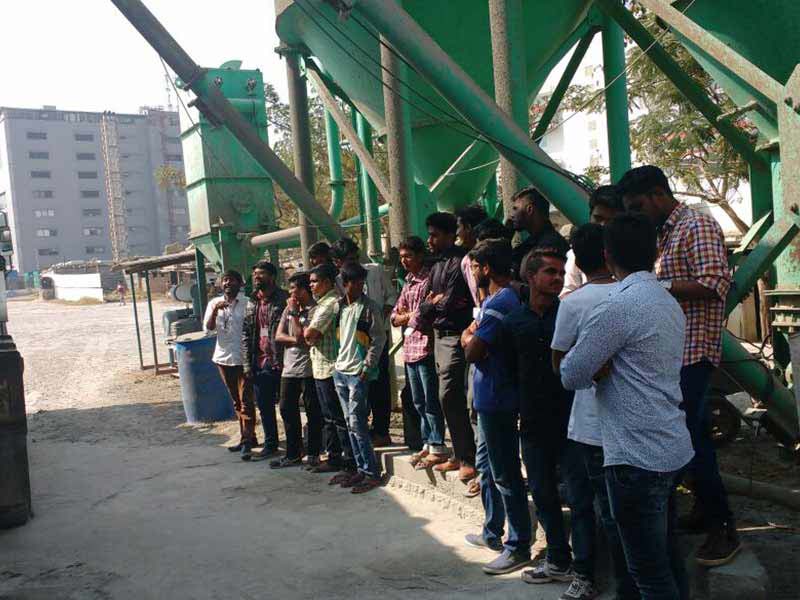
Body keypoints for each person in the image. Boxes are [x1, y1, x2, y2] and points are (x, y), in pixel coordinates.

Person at [560, 213, 693, 600]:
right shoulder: (667, 301)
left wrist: (600, 365)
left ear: (607, 255)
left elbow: (571, 373)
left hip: (635, 456)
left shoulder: (618, 307)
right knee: (668, 560)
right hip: (670, 445)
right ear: (655, 252)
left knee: (648, 574)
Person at [618, 165, 740, 566]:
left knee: (689, 440)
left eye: (638, 206)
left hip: (694, 351)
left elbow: (714, 283)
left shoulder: (695, 226)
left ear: (658, 194)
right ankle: (705, 511)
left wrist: (658, 286)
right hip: (672, 353)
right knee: (689, 436)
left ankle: (723, 527)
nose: (636, 214)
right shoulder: (664, 234)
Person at [551, 225, 634, 600]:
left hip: (588, 423)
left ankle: (586, 576)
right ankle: (627, 586)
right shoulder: (633, 295)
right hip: (629, 421)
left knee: (586, 503)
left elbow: (560, 364)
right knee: (620, 513)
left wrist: (586, 364)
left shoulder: (573, 303)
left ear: (578, 262)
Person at [502, 249, 574, 586]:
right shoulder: (513, 322)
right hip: (532, 421)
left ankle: (584, 565)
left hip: (572, 421)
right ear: (531, 277)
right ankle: (558, 558)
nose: (558, 278)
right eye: (550, 272)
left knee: (579, 496)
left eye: (561, 272)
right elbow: (507, 371)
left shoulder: (570, 315)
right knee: (543, 493)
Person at [461, 239, 531, 576]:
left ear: (486, 268)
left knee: (505, 474)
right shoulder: (497, 300)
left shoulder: (500, 302)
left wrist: (468, 338)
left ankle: (517, 546)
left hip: (498, 399)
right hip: (490, 398)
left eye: (475, 266)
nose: (473, 272)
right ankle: (493, 532)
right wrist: (472, 337)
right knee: (490, 468)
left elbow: (472, 350)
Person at [412, 212, 477, 481]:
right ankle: (460, 454)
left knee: (450, 395)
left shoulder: (459, 262)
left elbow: (449, 303)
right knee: (447, 398)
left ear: (451, 235)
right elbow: (425, 305)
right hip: (439, 335)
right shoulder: (437, 264)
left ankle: (469, 458)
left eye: (435, 235)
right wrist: (431, 303)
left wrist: (432, 304)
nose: (430, 240)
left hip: (454, 336)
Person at [331, 237, 398, 447]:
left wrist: (381, 314)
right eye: (348, 260)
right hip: (353, 340)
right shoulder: (338, 281)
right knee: (357, 386)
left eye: (355, 258)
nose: (354, 263)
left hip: (376, 335)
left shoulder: (375, 271)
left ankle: (381, 431)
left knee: (379, 383)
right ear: (338, 262)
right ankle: (362, 430)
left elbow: (391, 296)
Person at [391, 236, 447, 470]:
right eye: (402, 257)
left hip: (425, 348)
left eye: (409, 256)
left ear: (420, 255)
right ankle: (427, 441)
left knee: (430, 399)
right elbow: (395, 317)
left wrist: (408, 315)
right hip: (410, 348)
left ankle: (437, 445)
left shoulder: (428, 281)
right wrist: (408, 315)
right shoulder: (408, 282)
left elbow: (424, 314)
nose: (404, 261)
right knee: (418, 401)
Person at [332, 262, 386, 494]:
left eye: (362, 283)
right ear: (345, 284)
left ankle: (371, 473)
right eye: (355, 283)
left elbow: (379, 339)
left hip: (357, 372)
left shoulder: (370, 307)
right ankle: (361, 469)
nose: (360, 287)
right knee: (350, 423)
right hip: (341, 371)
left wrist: (367, 366)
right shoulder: (340, 307)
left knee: (357, 423)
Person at [305, 263, 355, 475]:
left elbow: (310, 334)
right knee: (329, 417)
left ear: (327, 282)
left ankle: (349, 461)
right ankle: (335, 457)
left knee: (337, 417)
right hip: (320, 367)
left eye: (314, 282)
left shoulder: (330, 303)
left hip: (330, 368)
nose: (311, 286)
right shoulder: (322, 303)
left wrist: (306, 329)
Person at [272, 271, 322, 469]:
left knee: (313, 412)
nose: (290, 292)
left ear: (304, 290)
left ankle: (314, 453)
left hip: (309, 369)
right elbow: (279, 335)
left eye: (293, 288)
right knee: (286, 408)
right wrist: (296, 340)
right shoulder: (289, 309)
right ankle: (293, 453)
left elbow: (304, 337)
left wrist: (294, 314)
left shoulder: (314, 310)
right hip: (289, 368)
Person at [204, 270, 255, 461]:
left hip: (243, 359)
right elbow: (208, 329)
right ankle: (247, 437)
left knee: (246, 401)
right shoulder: (213, 303)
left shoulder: (248, 303)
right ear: (220, 284)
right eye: (225, 280)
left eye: (232, 280)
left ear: (240, 284)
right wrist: (215, 311)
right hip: (223, 359)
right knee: (236, 401)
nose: (227, 283)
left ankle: (247, 441)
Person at [241, 260, 288, 461]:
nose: (256, 277)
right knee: (265, 407)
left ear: (272, 277)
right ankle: (271, 444)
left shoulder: (284, 298)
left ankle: (294, 445)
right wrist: (246, 364)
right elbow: (245, 333)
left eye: (261, 274)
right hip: (259, 362)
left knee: (287, 407)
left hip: (282, 361)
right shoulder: (252, 301)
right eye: (255, 275)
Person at [561, 185, 623, 298]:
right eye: (598, 218)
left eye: (610, 221)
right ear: (590, 216)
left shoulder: (630, 251)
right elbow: (566, 293)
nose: (602, 225)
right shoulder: (577, 253)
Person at [509, 186, 570, 281]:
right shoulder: (531, 243)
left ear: (529, 209)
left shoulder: (550, 245)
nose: (511, 215)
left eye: (515, 209)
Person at [455, 205, 488, 307]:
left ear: (468, 227)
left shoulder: (469, 261)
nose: (457, 233)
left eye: (458, 227)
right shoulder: (466, 261)